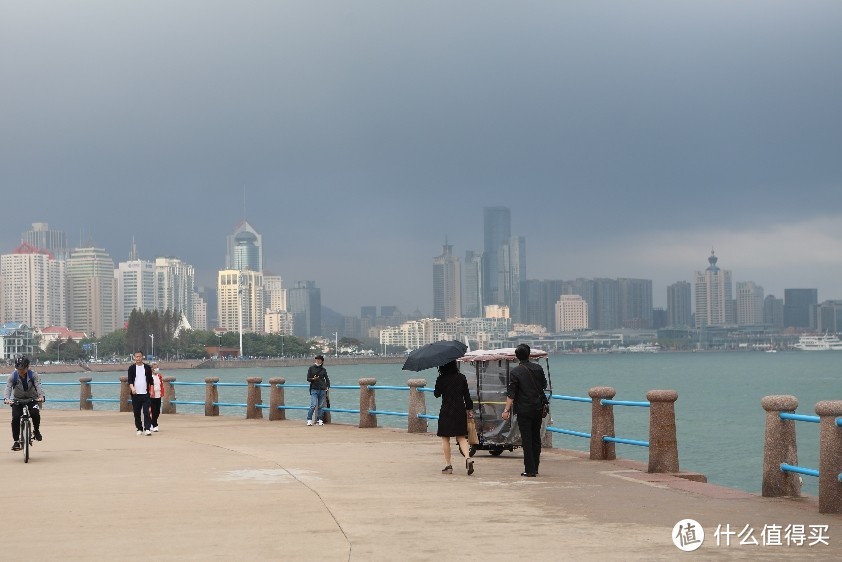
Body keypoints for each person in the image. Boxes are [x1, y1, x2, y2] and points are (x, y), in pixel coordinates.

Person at [502, 343, 547, 477]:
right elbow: (544, 385)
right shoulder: (538, 368)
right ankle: (536, 467)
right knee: (536, 437)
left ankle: (530, 469)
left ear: (517, 357)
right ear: (529, 354)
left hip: (523, 409)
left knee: (526, 439)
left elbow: (511, 394)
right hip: (538, 407)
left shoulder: (515, 372)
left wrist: (506, 410)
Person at [433, 360, 475, 476]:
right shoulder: (461, 377)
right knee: (461, 437)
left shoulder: (441, 378)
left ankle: (448, 465)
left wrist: (438, 382)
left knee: (445, 438)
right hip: (460, 410)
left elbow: (436, 394)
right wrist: (469, 410)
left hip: (446, 410)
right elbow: (467, 396)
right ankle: (468, 458)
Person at [3, 356, 45, 451]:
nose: (20, 371)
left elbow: (38, 386)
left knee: (35, 413)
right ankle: (16, 441)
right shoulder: (13, 376)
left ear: (27, 367)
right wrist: (6, 399)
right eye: (18, 369)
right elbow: (8, 387)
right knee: (16, 418)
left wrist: (41, 397)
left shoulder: (33, 375)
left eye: (23, 369)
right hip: (17, 400)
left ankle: (36, 430)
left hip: (32, 399)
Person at [127, 351, 154, 436]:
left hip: (145, 393)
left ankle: (147, 428)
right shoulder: (131, 368)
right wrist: (132, 388)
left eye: (139, 356)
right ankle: (139, 428)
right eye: (136, 357)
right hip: (135, 394)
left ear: (142, 357)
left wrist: (152, 390)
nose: (138, 358)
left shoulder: (147, 367)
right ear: (134, 358)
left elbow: (150, 380)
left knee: (146, 412)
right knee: (137, 412)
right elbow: (130, 380)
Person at [306, 355, 330, 426]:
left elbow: (327, 379)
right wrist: (313, 379)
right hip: (314, 389)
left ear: (322, 361)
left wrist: (328, 386)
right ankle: (309, 420)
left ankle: (320, 420)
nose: (318, 360)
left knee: (321, 406)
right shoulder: (311, 368)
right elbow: (308, 379)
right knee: (313, 405)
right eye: (317, 359)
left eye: (319, 359)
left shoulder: (323, 369)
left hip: (322, 389)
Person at [149, 361, 165, 432]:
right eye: (155, 368)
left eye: (157, 367)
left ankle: (152, 423)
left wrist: (162, 393)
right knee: (153, 411)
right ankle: (155, 425)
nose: (156, 369)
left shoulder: (159, 376)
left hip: (158, 395)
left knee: (158, 411)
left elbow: (161, 385)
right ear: (151, 369)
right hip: (152, 396)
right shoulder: (149, 376)